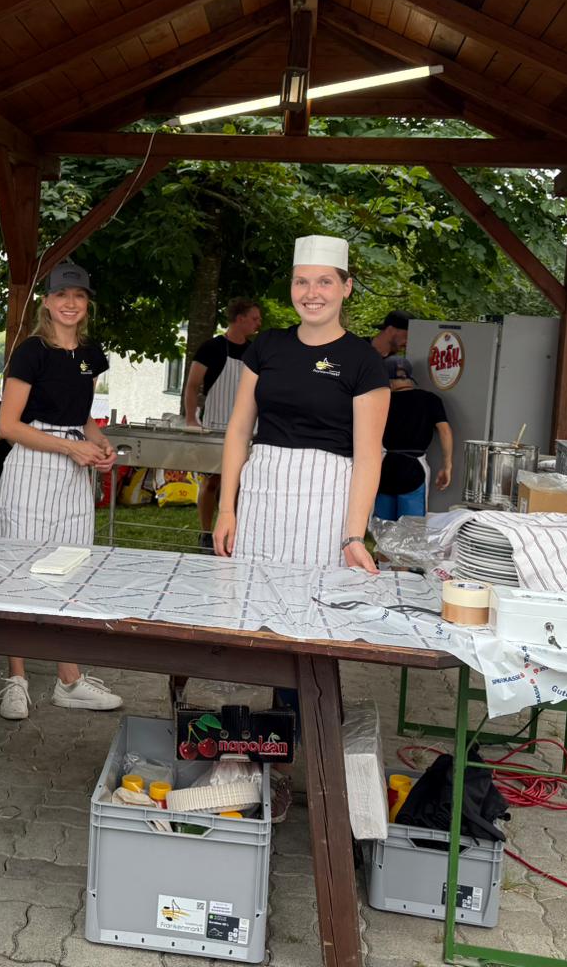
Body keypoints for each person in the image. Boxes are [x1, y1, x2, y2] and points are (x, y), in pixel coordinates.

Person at [213, 235, 390, 818]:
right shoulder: (266, 347)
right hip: (263, 495)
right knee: (252, 624)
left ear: (345, 288)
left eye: (324, 282)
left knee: (307, 635)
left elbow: (369, 455)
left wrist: (353, 535)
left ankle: (296, 765)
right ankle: (250, 757)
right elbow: (239, 431)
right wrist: (227, 507)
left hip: (324, 504)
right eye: (301, 281)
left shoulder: (364, 361)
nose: (311, 293)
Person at [0, 260, 123, 720]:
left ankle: (68, 680)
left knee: (71, 569)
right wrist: (70, 448)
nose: (71, 303)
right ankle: (16, 679)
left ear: (87, 304)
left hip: (74, 470)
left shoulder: (90, 354)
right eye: (62, 295)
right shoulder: (30, 352)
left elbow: (80, 416)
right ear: (46, 302)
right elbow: (8, 425)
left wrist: (100, 444)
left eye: (79, 296)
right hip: (33, 464)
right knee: (20, 571)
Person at [184, 298, 264, 549]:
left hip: (247, 429)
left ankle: (233, 534)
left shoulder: (255, 352)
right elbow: (192, 386)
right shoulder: (211, 348)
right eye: (254, 318)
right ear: (239, 319)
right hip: (215, 426)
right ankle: (206, 533)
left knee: (240, 483)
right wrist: (190, 419)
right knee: (212, 482)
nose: (259, 323)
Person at [374, 356, 454, 521]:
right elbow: (445, 431)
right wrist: (447, 466)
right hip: (414, 470)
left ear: (388, 381)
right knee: (412, 528)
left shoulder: (381, 401)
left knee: (382, 527)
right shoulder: (430, 399)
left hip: (385, 468)